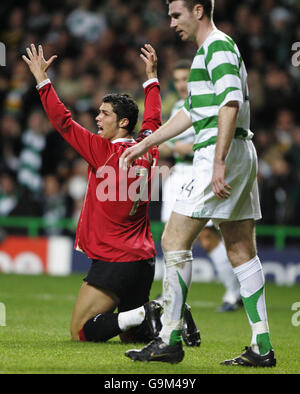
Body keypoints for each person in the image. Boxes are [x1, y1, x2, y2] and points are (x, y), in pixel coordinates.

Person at [120, 0, 276, 367]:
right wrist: (145, 142)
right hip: (239, 149)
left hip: (219, 153)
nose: (172, 23)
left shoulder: (217, 46)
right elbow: (191, 111)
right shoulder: (210, 51)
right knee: (240, 248)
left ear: (198, 10)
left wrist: (219, 160)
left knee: (174, 239)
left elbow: (229, 103)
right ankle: (262, 345)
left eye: (176, 15)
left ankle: (169, 337)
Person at [22, 43, 165, 344]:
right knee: (133, 339)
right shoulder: (149, 147)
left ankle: (149, 311)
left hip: (115, 258)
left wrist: (42, 80)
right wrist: (151, 78)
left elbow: (63, 123)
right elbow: (153, 120)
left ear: (123, 122)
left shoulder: (104, 152)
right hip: (144, 259)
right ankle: (162, 318)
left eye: (104, 114)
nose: (97, 118)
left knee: (81, 332)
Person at [160, 59, 241, 312]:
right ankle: (171, 297)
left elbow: (207, 141)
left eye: (186, 79)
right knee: (170, 238)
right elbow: (167, 145)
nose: (182, 85)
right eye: (177, 80)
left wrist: (181, 147)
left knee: (207, 235)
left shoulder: (209, 104)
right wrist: (172, 147)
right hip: (178, 176)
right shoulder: (176, 108)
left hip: (200, 172)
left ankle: (233, 293)